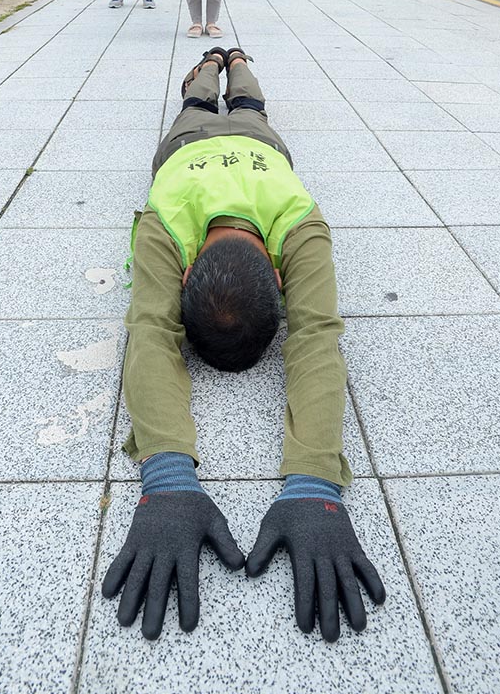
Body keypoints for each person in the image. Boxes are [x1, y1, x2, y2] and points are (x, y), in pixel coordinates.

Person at [102, 47, 385, 642]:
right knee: (240, 105)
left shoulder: (169, 224)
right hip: (231, 145)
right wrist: (311, 481)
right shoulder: (296, 224)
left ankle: (219, 61)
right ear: (280, 277)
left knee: (214, 102)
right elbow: (315, 336)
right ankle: (226, 61)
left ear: (185, 272)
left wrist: (170, 475)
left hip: (206, 146)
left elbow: (150, 329)